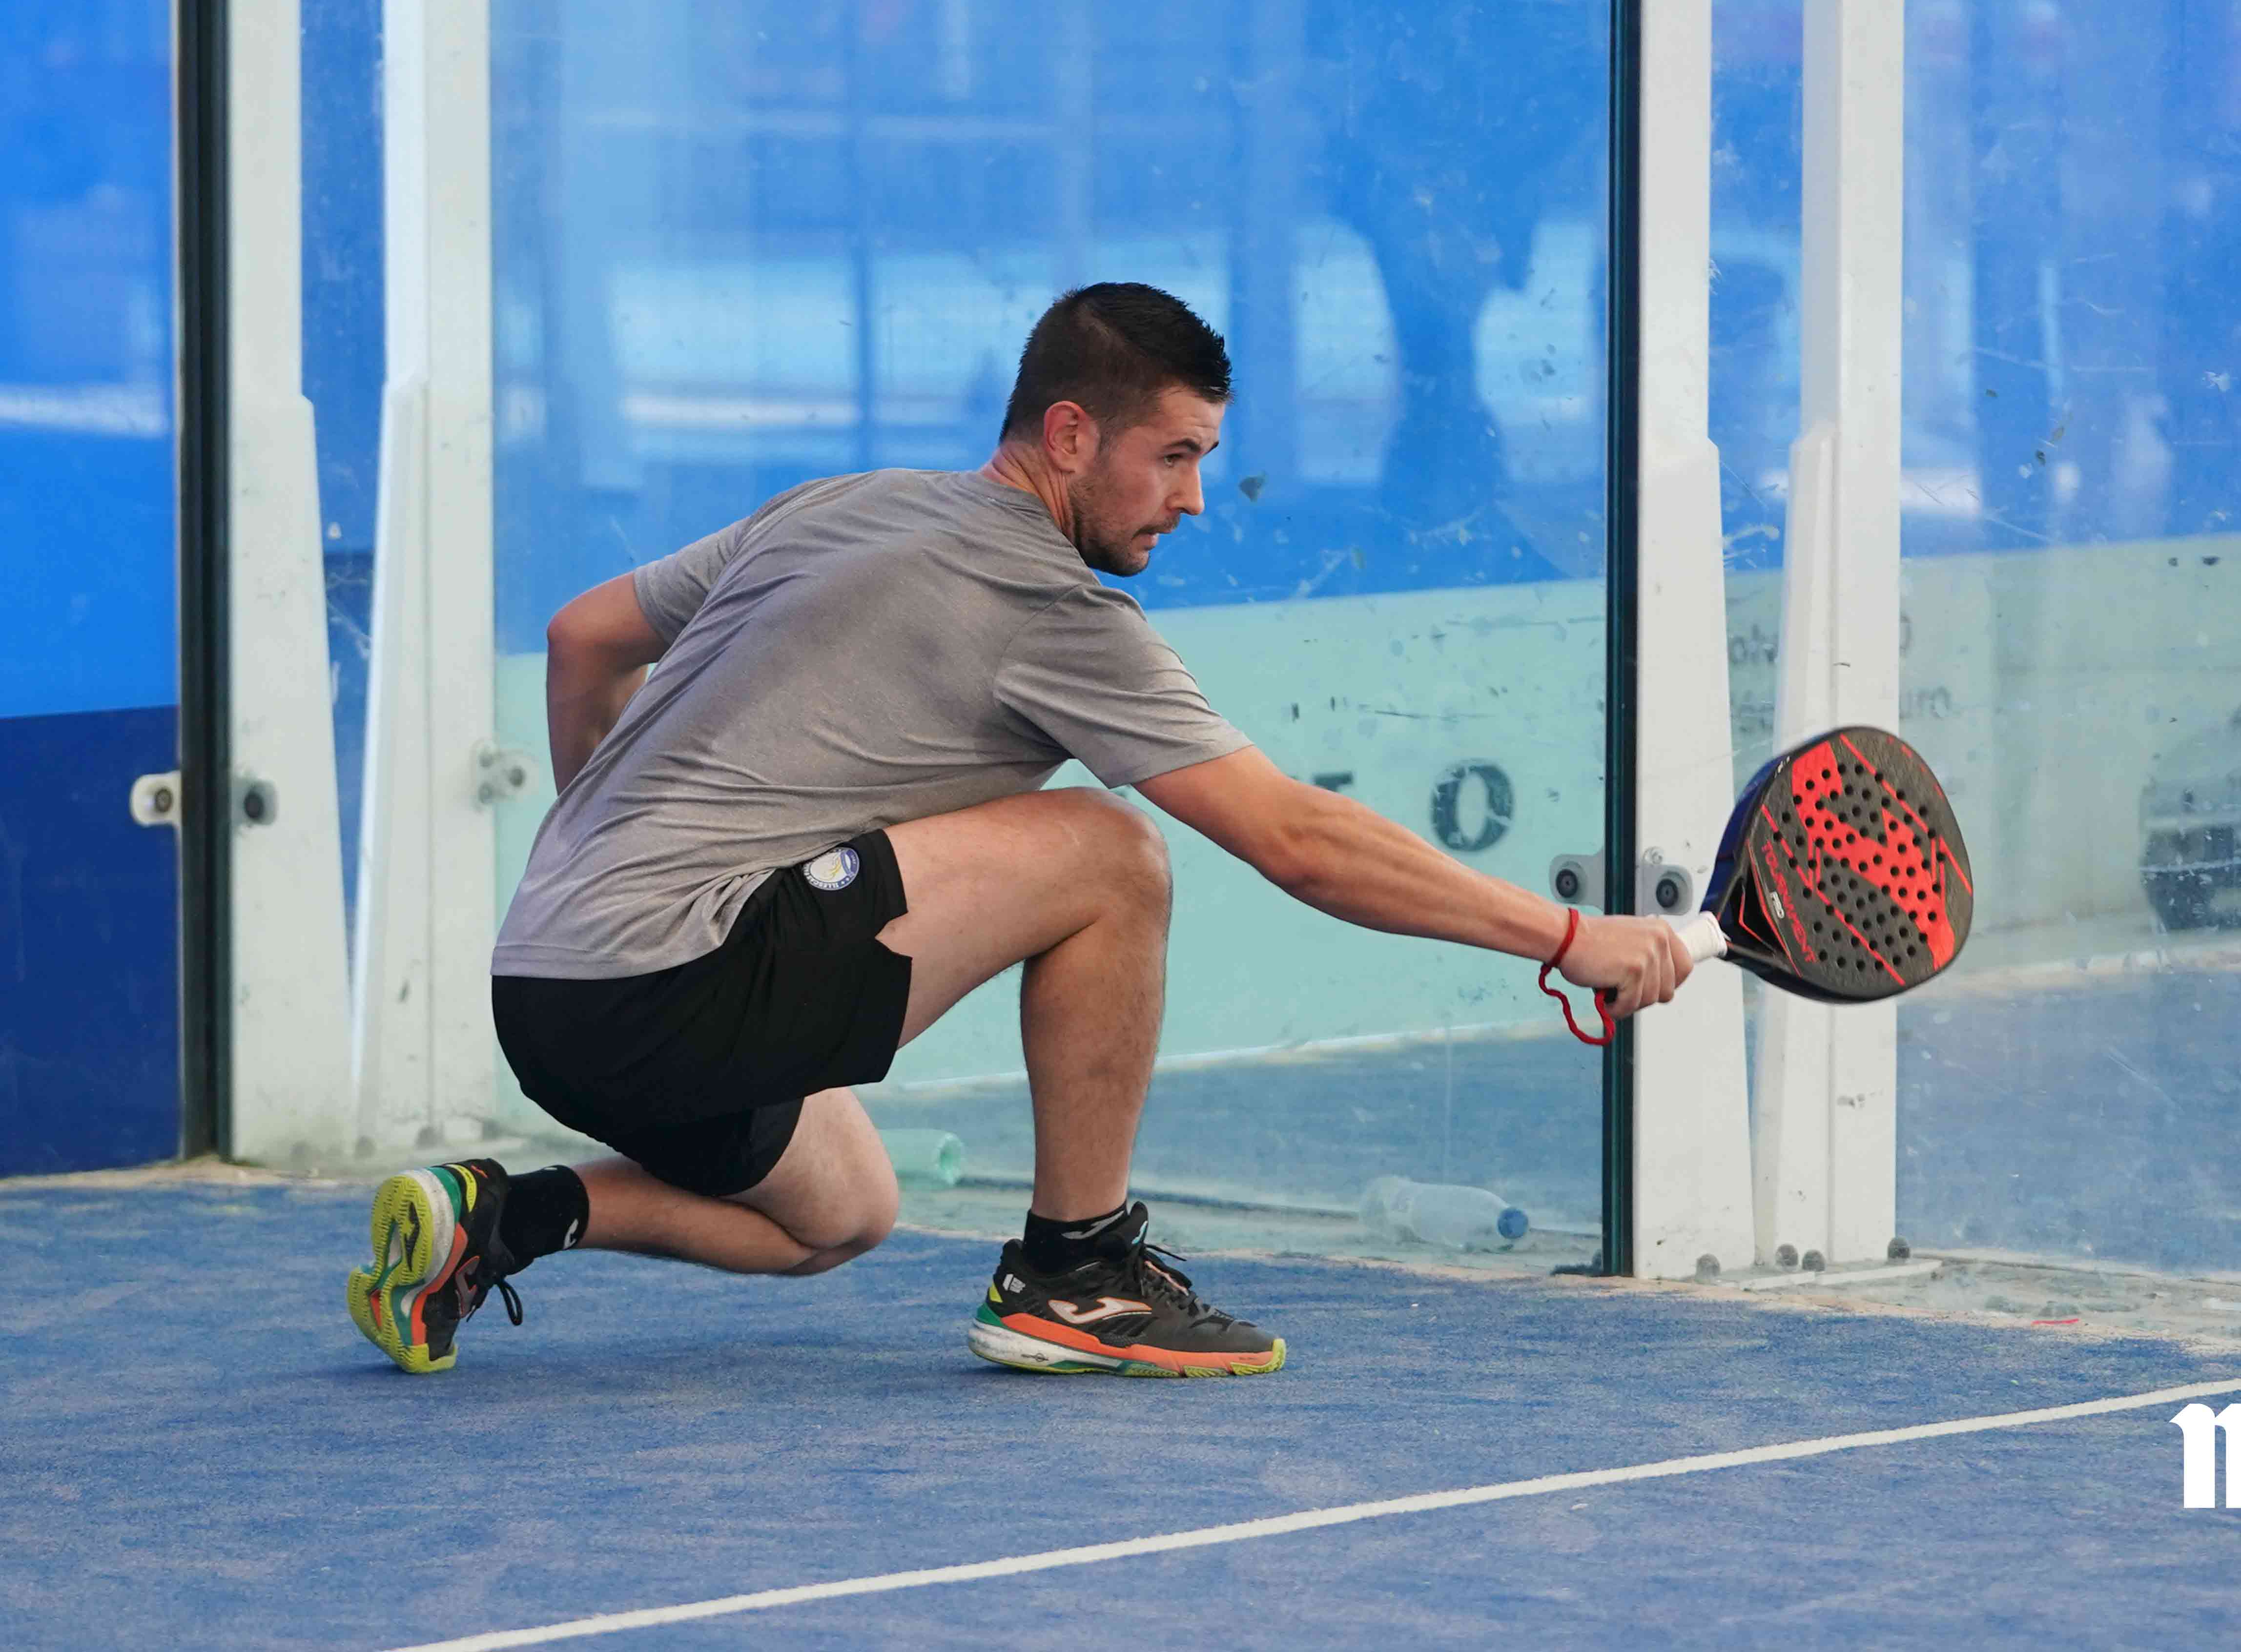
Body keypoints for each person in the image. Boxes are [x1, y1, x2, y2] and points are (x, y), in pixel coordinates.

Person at [345, 282, 1692, 1380]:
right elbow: (1296, 839)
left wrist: (604, 866)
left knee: (843, 1214)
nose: (1194, 498)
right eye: (1175, 456)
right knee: (1112, 851)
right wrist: (1568, 934)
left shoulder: (838, 505)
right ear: (1070, 435)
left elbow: (582, 637)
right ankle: (1078, 1272)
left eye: (1205, 461)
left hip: (544, 995)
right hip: (674, 982)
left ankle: (503, 1217)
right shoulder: (1052, 609)